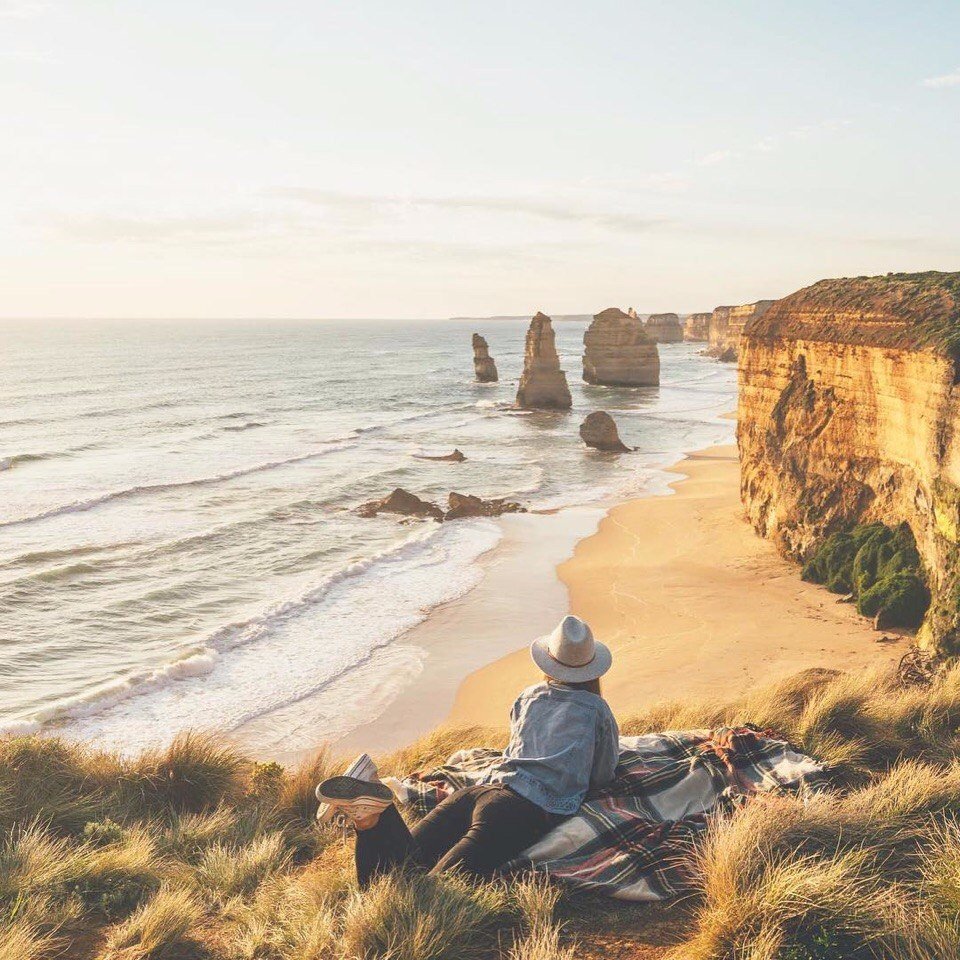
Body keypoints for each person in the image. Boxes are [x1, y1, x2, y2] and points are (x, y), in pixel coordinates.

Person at [315, 614, 620, 887]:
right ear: (591, 669)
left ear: (549, 662)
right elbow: (603, 774)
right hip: (520, 812)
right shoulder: (596, 709)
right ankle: (372, 809)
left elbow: (517, 744)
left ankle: (372, 819)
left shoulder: (529, 696)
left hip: (481, 792)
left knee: (404, 863)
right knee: (433, 888)